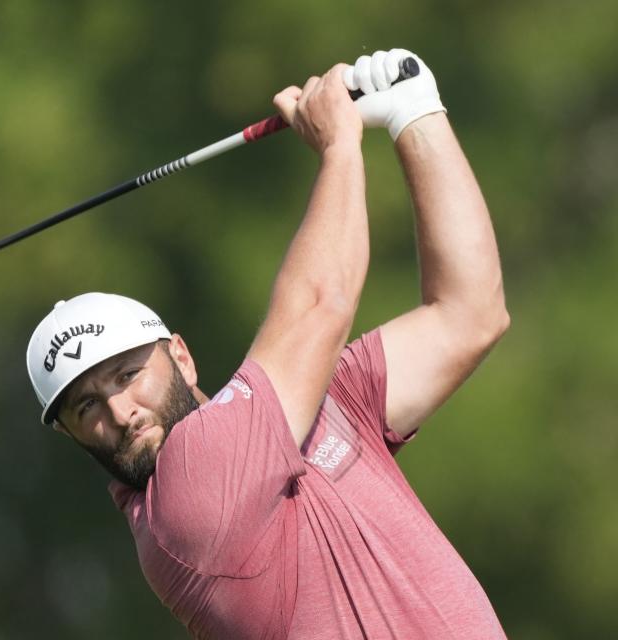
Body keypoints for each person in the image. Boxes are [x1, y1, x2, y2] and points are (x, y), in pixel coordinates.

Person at [26, 49, 509, 639]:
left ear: (180, 354)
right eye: (85, 406)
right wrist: (338, 146)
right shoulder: (182, 505)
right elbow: (319, 304)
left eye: (127, 375)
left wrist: (416, 113)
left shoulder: (317, 410)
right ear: (69, 434)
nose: (120, 414)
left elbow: (470, 312)